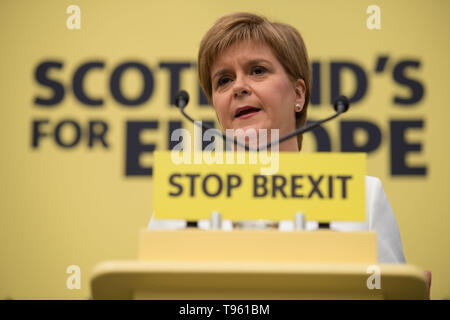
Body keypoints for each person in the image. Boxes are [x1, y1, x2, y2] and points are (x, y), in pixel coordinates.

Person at [150, 13, 431, 296]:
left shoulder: (362, 196)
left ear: (298, 95)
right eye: (223, 80)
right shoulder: (181, 202)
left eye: (257, 70)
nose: (238, 87)